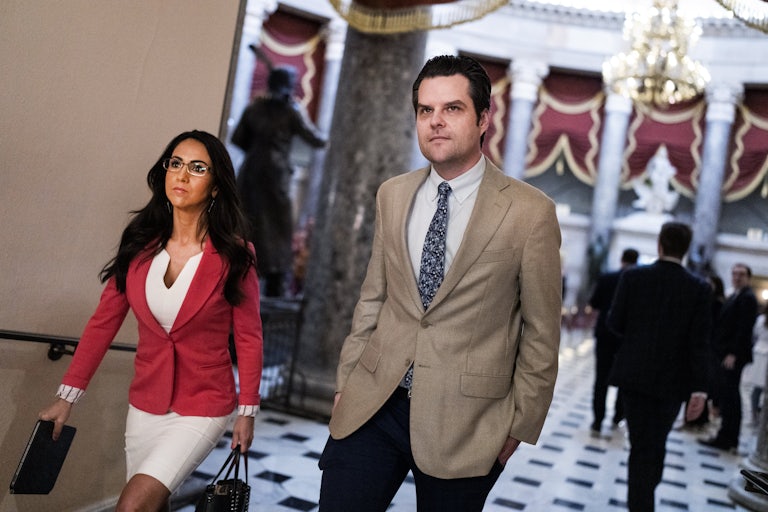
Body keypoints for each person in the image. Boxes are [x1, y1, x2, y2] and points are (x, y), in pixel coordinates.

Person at [317, 55, 562, 511]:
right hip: (374, 402)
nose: (435, 122)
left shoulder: (530, 213)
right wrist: (345, 381)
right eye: (425, 110)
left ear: (484, 118)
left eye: (452, 109)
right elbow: (374, 296)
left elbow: (542, 332)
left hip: (469, 421)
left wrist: (516, 429)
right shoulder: (393, 193)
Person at [39, 130, 264, 512]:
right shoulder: (139, 246)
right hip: (146, 403)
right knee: (150, 506)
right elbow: (102, 324)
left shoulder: (235, 256)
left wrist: (247, 412)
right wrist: (67, 398)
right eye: (175, 164)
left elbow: (249, 336)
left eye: (197, 168)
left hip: (204, 404)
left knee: (132, 505)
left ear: (214, 187)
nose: (182, 174)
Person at [607, 222, 712, 512]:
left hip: (636, 376)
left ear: (660, 245)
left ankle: (640, 504)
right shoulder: (699, 288)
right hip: (673, 382)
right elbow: (700, 344)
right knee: (655, 442)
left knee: (641, 445)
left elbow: (614, 323)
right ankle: (644, 500)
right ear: (687, 249)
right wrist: (700, 390)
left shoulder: (633, 278)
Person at [232, 65, 326, 297]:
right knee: (278, 230)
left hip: (250, 172)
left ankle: (238, 276)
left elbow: (238, 138)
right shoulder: (290, 111)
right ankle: (274, 283)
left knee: (247, 225)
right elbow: (316, 140)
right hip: (276, 176)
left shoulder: (255, 108)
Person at [700, 263, 759, 451]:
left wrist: (733, 353)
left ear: (748, 277)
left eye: (741, 274)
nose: (737, 277)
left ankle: (728, 436)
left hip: (732, 355)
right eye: (734, 274)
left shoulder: (747, 298)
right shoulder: (736, 295)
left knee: (730, 395)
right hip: (724, 352)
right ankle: (726, 435)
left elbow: (743, 329)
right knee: (727, 395)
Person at [588, 247, 639, 437]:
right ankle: (618, 417)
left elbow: (594, 303)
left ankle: (597, 420)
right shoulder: (639, 281)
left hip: (605, 334)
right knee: (623, 379)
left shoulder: (607, 277)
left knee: (601, 378)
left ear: (622, 259)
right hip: (627, 338)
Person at [744, 308, 768, 426]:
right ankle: (760, 416)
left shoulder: (760, 320)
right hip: (761, 354)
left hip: (759, 353)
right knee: (759, 390)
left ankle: (755, 417)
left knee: (756, 390)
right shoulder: (761, 320)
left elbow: (754, 334)